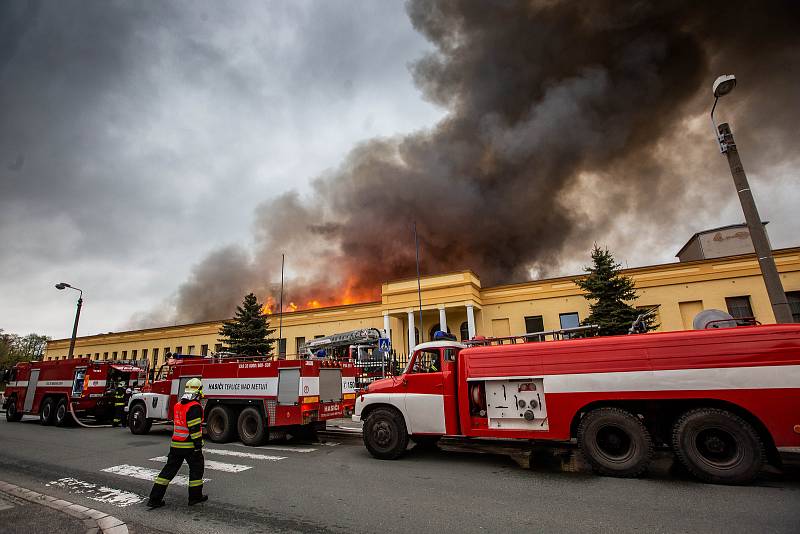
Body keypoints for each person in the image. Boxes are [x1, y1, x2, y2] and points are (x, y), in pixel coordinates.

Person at [147, 378, 207, 508]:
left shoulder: (178, 405)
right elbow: (194, 429)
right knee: (196, 470)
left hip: (175, 444)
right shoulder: (195, 407)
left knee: (168, 472)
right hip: (189, 445)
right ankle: (195, 497)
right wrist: (198, 446)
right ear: (198, 391)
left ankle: (154, 499)